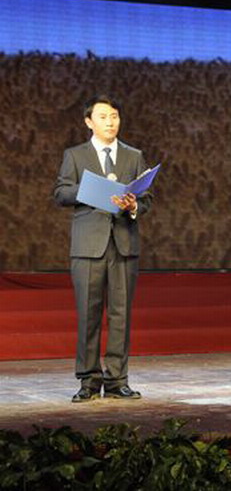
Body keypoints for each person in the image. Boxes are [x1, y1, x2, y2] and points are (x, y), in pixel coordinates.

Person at [54, 95, 153, 402]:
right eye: (103, 117)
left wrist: (133, 204)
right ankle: (88, 380)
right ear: (89, 122)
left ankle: (117, 380)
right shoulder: (75, 155)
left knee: (121, 315)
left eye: (114, 116)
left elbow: (146, 200)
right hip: (88, 246)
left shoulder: (134, 156)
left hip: (123, 244)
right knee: (89, 314)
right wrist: (92, 191)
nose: (110, 122)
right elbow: (61, 192)